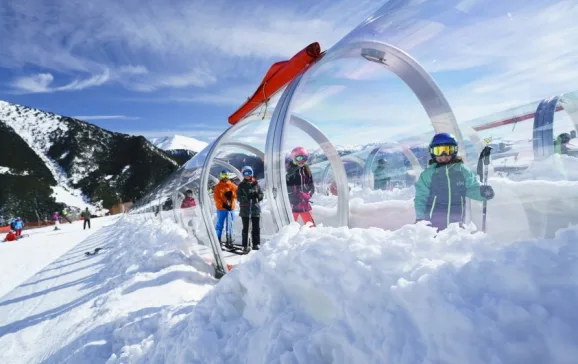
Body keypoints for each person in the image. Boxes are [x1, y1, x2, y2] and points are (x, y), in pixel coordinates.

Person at [414, 133, 495, 231]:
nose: (443, 156)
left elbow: (471, 188)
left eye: (448, 150)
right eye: (438, 151)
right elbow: (421, 198)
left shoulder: (462, 171)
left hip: (456, 226)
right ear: (432, 152)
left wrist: (482, 193)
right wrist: (420, 218)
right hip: (432, 225)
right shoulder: (428, 174)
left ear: (454, 151)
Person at [236, 166, 264, 253]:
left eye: (249, 173)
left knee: (256, 228)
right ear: (243, 174)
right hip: (245, 210)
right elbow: (239, 198)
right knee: (246, 228)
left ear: (251, 173)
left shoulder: (256, 184)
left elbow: (261, 194)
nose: (247, 175)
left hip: (255, 209)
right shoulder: (241, 185)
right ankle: (245, 244)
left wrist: (257, 196)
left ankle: (256, 243)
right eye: (245, 173)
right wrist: (247, 197)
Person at [286, 146, 316, 226]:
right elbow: (288, 188)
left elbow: (311, 185)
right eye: (298, 158)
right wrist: (297, 195)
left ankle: (312, 236)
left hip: (304, 204)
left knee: (310, 225)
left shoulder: (306, 170)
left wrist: (308, 194)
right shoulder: (290, 172)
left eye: (304, 158)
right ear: (293, 158)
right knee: (290, 226)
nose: (301, 161)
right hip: (294, 204)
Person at [213, 170, 238, 244]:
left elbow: (237, 195)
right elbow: (216, 198)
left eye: (226, 175)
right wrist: (223, 205)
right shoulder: (218, 186)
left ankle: (229, 238)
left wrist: (231, 193)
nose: (225, 177)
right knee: (220, 224)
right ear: (221, 176)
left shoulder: (232, 185)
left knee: (230, 224)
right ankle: (217, 238)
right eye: (223, 175)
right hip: (221, 209)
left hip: (230, 209)